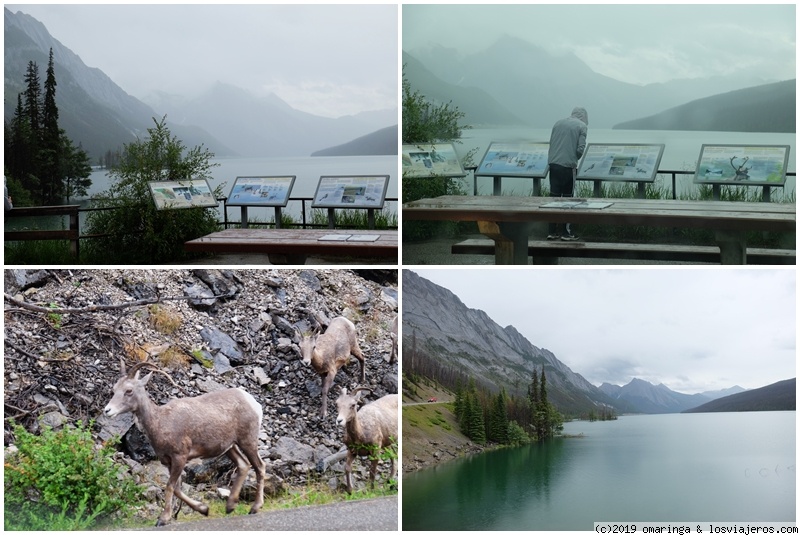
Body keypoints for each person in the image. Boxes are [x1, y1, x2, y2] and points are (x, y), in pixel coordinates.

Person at [547, 107, 588, 241]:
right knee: (567, 199)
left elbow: (552, 142)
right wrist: (574, 156)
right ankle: (566, 232)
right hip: (568, 167)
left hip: (553, 165)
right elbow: (580, 150)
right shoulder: (582, 126)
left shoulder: (558, 123)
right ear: (584, 117)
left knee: (554, 200)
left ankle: (552, 231)